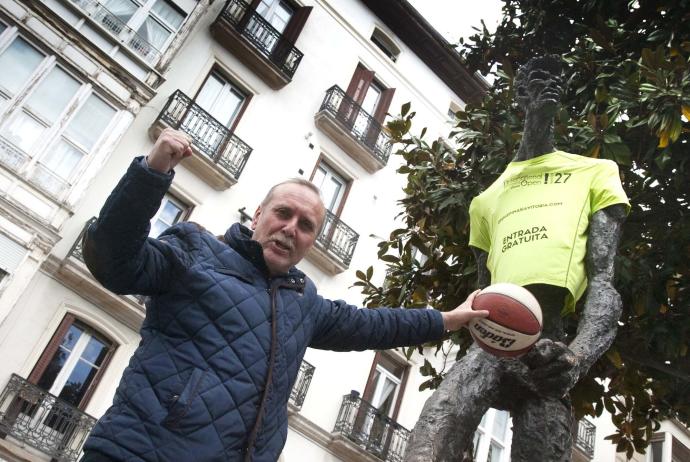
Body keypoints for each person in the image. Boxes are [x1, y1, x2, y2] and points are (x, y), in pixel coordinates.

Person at [79, 127, 489, 462]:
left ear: (311, 243)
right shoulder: (195, 250)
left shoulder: (303, 301)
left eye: (306, 225)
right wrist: (151, 172)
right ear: (258, 215)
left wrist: (448, 319)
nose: (292, 228)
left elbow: (373, 325)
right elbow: (113, 260)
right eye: (283, 213)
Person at [403, 55, 630, 461]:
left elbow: (603, 283)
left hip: (549, 349)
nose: (552, 85)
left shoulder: (596, 171)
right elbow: (479, 294)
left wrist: (576, 358)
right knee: (431, 437)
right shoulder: (484, 201)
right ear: (521, 92)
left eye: (560, 79)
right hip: (491, 344)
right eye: (542, 77)